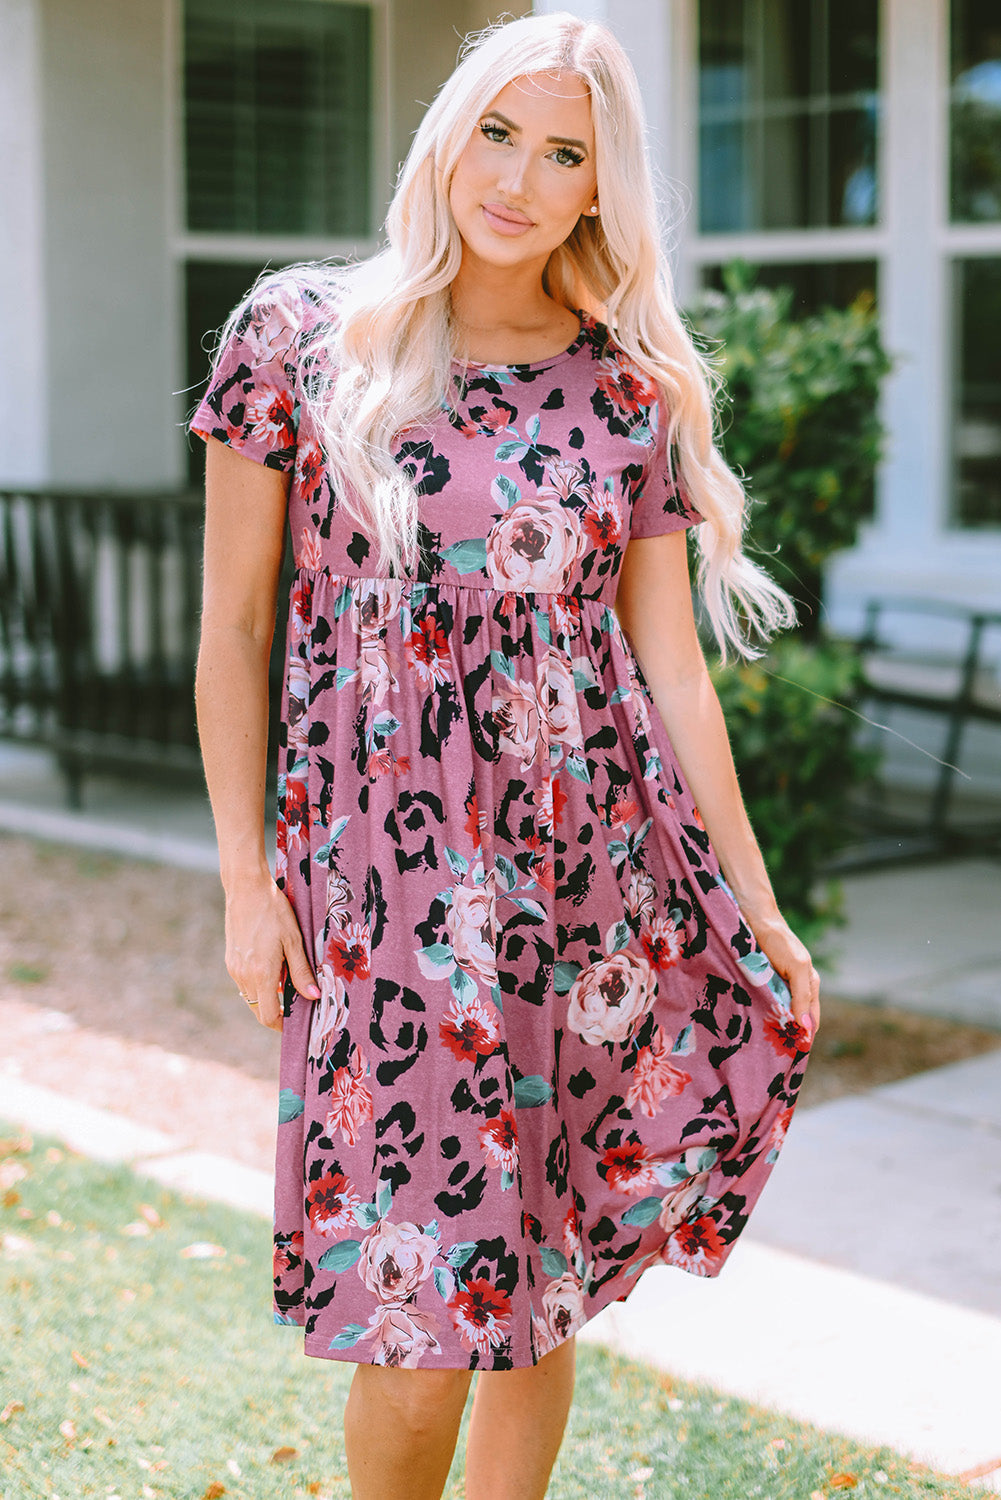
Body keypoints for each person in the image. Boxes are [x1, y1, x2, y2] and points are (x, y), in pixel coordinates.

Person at [189, 12, 820, 1498]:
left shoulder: (624, 391)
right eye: (498, 132)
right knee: (411, 1324)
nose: (519, 180)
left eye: (565, 156)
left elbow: (670, 669)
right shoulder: (300, 337)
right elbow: (232, 633)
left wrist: (759, 904)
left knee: (534, 1292)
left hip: (581, 884)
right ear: (445, 131)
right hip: (383, 908)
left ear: (603, 192)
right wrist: (242, 879)